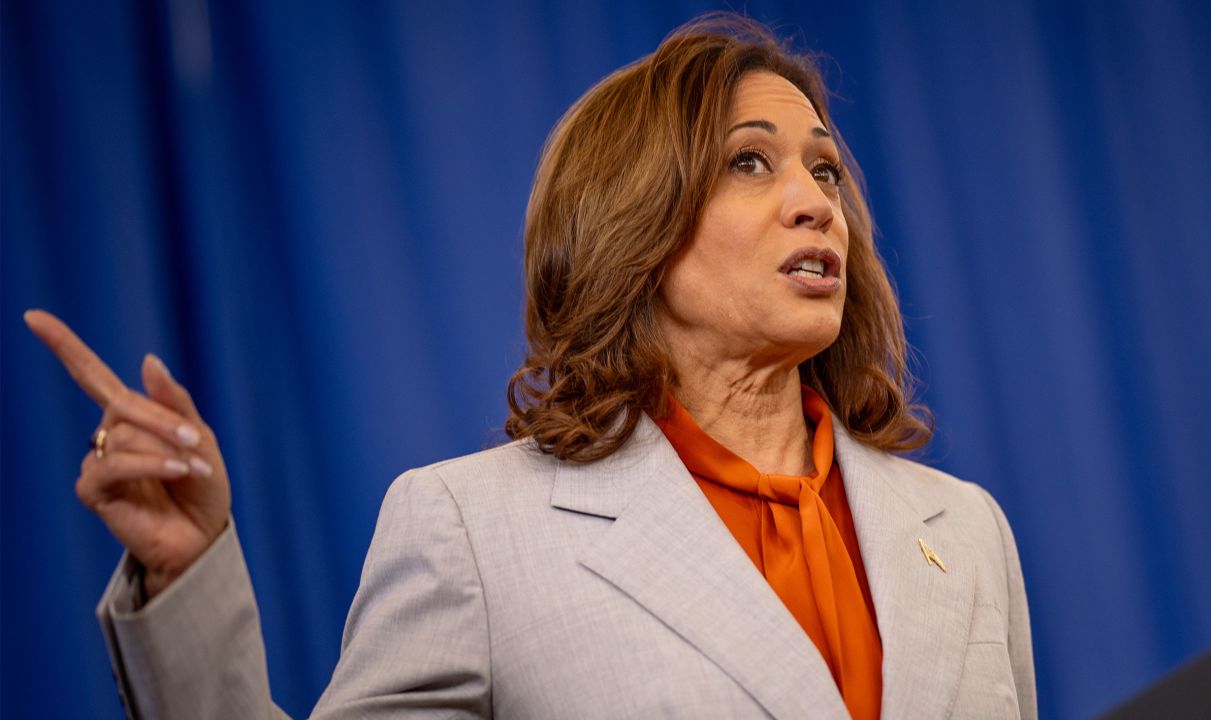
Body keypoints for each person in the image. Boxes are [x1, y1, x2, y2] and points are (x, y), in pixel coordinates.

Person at [26, 14, 1036, 720]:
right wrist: (190, 575)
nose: (817, 199)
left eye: (822, 166)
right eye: (747, 161)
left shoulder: (963, 531)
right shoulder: (476, 533)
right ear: (635, 225)